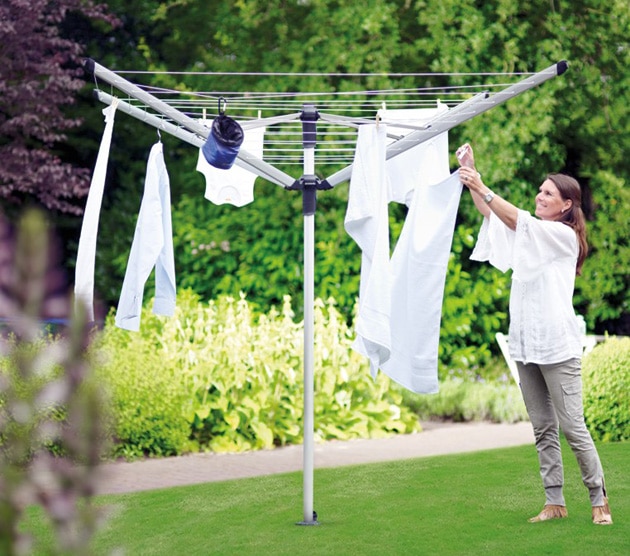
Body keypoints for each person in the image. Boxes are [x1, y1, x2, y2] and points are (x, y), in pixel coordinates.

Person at [456, 143, 613, 525]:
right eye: (539, 191)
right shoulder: (531, 231)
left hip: (557, 346)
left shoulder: (562, 237)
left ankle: (599, 501)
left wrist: (484, 186)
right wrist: (473, 177)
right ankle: (554, 502)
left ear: (565, 205)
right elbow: (498, 217)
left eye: (548, 193)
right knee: (542, 428)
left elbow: (517, 219)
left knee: (573, 427)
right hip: (525, 344)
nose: (540, 196)